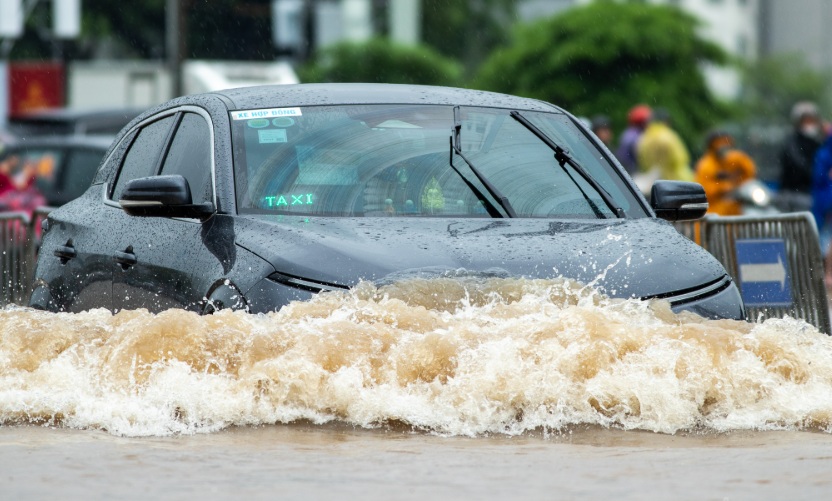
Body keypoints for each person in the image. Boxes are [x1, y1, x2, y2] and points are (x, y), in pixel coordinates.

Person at [694, 131, 757, 216]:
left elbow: (750, 172)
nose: (724, 146)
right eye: (721, 143)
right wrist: (723, 187)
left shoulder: (734, 159)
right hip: (713, 213)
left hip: (733, 212)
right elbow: (703, 190)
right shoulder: (706, 165)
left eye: (727, 142)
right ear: (712, 145)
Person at [779, 101, 824, 212]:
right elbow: (798, 163)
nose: (809, 124)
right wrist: (817, 173)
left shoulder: (817, 142)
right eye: (806, 121)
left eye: (812, 120)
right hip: (791, 193)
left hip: (808, 193)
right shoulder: (792, 142)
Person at [636, 108, 693, 191]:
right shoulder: (668, 136)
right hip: (676, 180)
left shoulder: (644, 138)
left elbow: (641, 161)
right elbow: (680, 158)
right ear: (666, 121)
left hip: (654, 183)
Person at [615, 105, 651, 175]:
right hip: (631, 171)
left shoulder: (628, 133)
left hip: (623, 167)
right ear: (642, 122)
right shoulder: (636, 136)